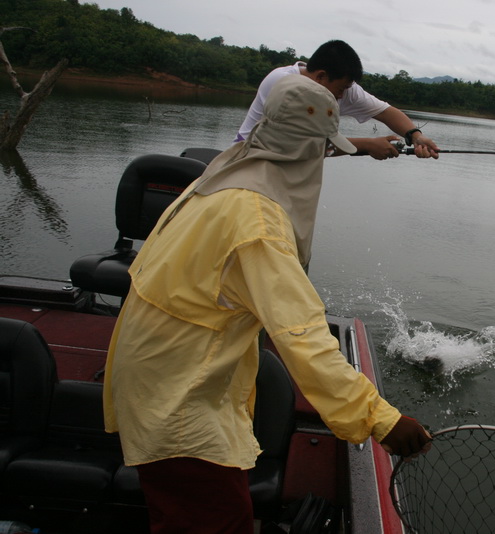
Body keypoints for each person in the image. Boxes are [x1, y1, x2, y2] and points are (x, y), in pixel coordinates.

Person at [103, 74, 432, 534]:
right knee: (217, 522)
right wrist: (383, 419)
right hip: (178, 402)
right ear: (304, 146)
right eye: (321, 146)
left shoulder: (222, 174)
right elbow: (303, 336)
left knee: (182, 514)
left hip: (159, 377)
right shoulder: (256, 221)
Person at [235, 39, 439, 160]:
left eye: (346, 88)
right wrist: (368, 144)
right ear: (321, 76)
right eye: (340, 88)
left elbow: (386, 112)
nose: (342, 96)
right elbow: (303, 145)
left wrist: (415, 136)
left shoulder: (344, 88)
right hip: (250, 156)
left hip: (294, 165)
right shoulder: (284, 83)